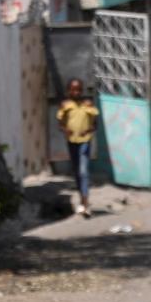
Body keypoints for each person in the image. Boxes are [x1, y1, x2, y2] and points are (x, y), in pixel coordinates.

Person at [56, 78, 99, 218]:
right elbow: (60, 123)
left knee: (83, 170)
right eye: (73, 89)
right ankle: (82, 198)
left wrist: (88, 131)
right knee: (77, 171)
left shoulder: (88, 105)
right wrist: (65, 129)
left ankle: (86, 204)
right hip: (71, 141)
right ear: (69, 91)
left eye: (79, 89)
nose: (76, 92)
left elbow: (95, 124)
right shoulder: (66, 106)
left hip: (85, 141)